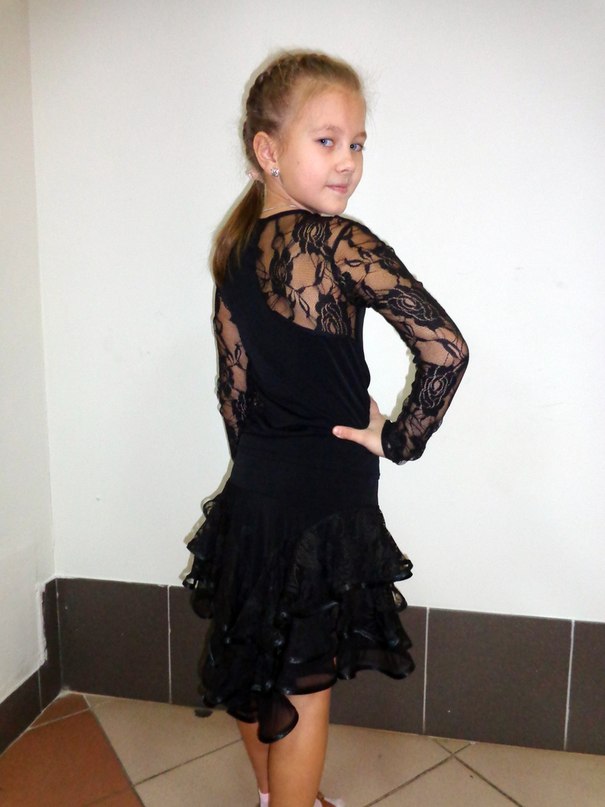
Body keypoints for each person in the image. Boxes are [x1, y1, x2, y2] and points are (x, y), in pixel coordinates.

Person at [184, 51, 469, 807]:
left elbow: (233, 389)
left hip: (256, 486)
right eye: (327, 140)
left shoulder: (234, 251)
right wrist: (398, 438)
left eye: (358, 144)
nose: (347, 161)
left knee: (252, 652)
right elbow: (446, 350)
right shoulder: (338, 243)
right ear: (268, 149)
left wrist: (257, 472)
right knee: (304, 686)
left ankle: (273, 794)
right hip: (325, 495)